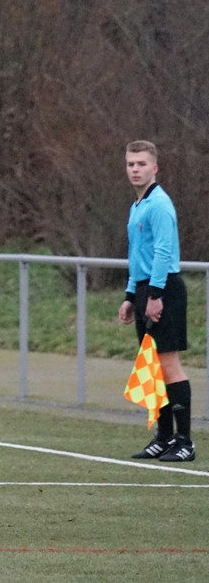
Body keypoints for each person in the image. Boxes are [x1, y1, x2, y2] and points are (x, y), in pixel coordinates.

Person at [117, 140, 194, 462]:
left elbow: (163, 251)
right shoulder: (137, 206)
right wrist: (130, 296)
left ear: (154, 167)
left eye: (141, 164)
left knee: (168, 363)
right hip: (145, 288)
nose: (135, 169)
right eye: (131, 164)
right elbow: (137, 256)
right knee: (152, 364)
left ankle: (184, 441)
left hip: (164, 289)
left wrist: (156, 294)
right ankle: (163, 437)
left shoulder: (159, 204)